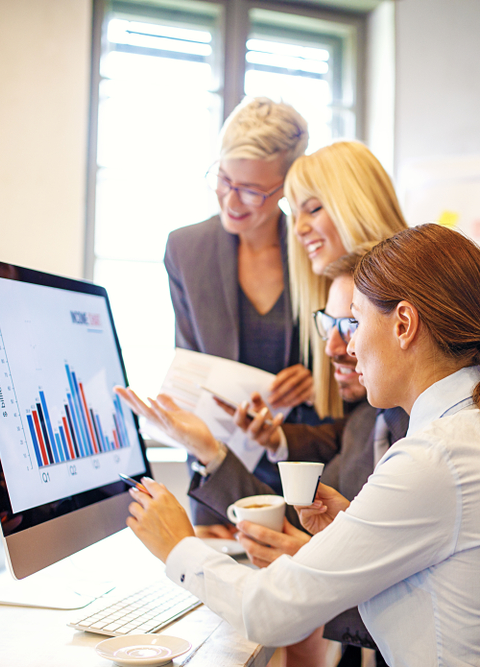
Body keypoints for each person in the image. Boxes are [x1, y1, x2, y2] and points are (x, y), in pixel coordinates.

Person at [124, 223, 480, 665]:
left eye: (357, 321)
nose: (346, 348)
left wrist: (177, 545)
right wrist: (349, 530)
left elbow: (267, 612)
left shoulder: (435, 457)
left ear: (404, 324)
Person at [284, 140, 480, 421]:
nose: (298, 229)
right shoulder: (329, 298)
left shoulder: (453, 268)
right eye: (293, 213)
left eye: (312, 209)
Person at [163, 97, 320, 532]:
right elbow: (192, 375)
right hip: (219, 472)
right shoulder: (185, 251)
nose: (231, 200)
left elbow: (349, 356)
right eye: (223, 178)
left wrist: (316, 378)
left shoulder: (313, 248)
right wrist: (208, 491)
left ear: (287, 186)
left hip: (306, 472)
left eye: (251, 190)